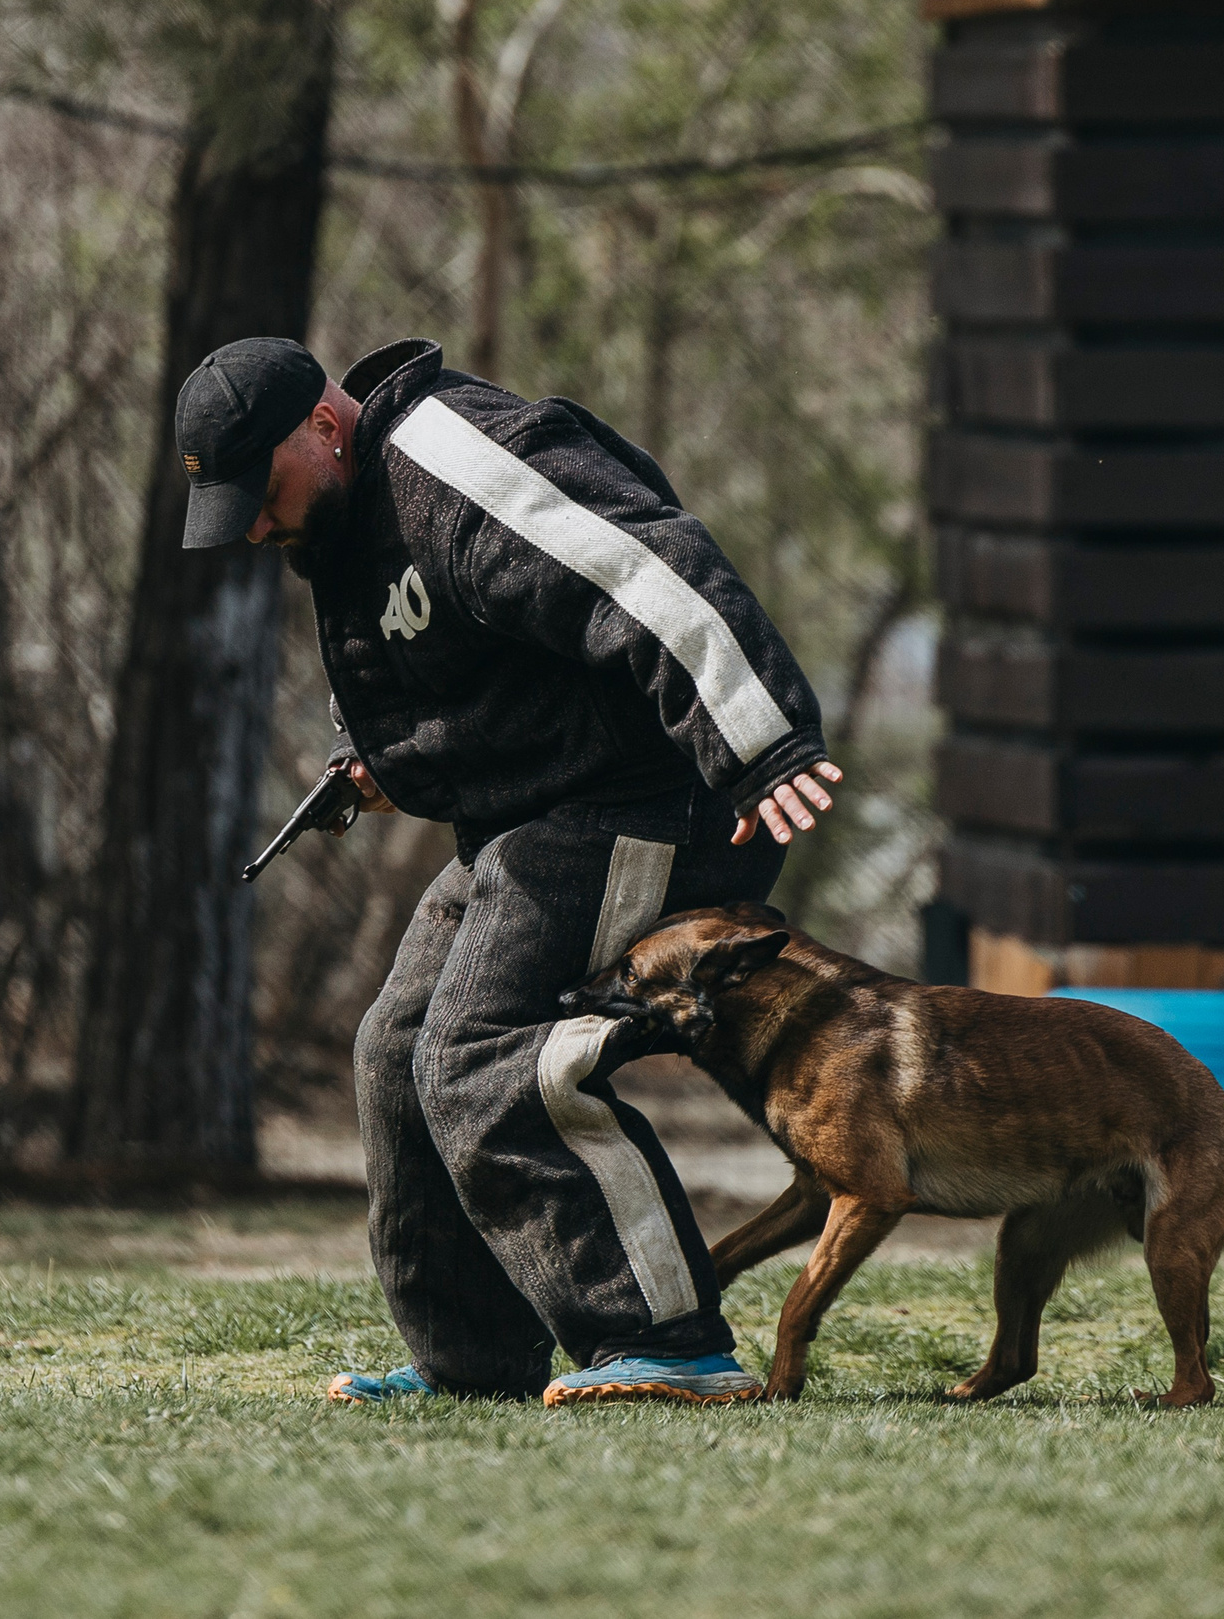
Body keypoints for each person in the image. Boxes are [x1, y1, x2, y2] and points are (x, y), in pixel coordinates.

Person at [176, 335, 842, 1406]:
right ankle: (474, 1361)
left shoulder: (459, 461)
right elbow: (475, 677)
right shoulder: (345, 515)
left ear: (321, 425)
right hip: (532, 817)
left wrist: (762, 741)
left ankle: (666, 1339)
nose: (254, 524)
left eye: (262, 491)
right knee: (395, 1055)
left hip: (653, 800)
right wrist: (387, 767)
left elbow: (644, 567)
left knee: (481, 1050)